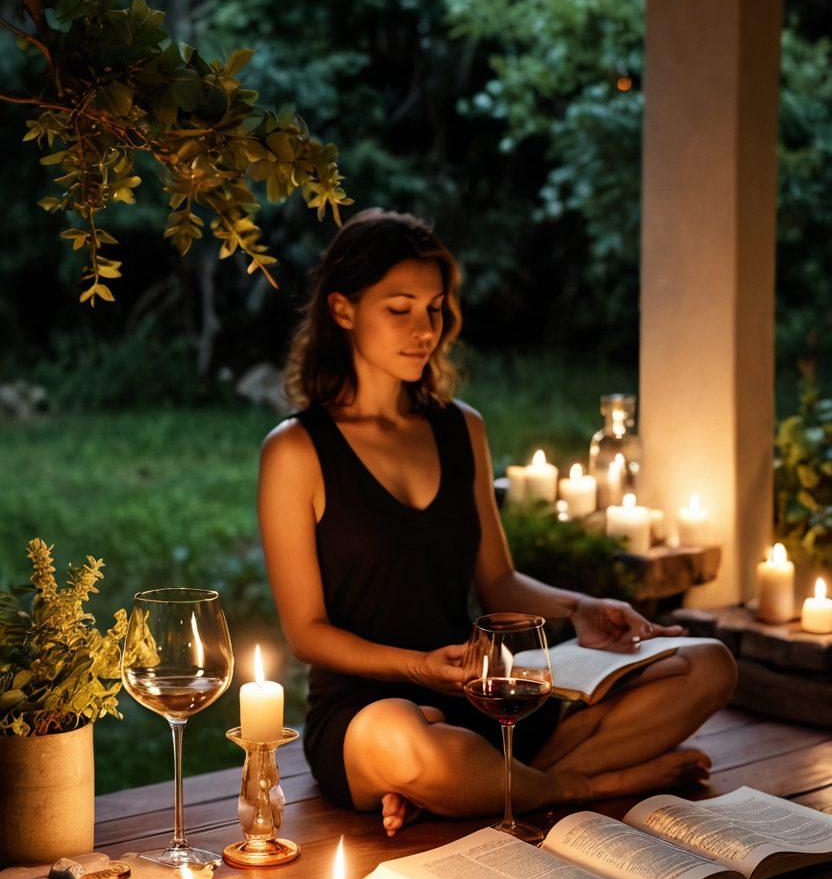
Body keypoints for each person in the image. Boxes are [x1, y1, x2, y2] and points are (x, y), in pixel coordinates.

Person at [259, 209, 737, 837]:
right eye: (399, 308)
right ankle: (588, 784)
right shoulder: (296, 451)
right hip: (370, 710)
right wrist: (418, 669)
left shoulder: (463, 428)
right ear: (343, 310)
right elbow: (307, 633)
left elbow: (499, 581)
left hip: (484, 690)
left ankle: (479, 784)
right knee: (412, 747)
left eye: (434, 308)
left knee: (708, 664)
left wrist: (584, 607)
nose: (423, 329)